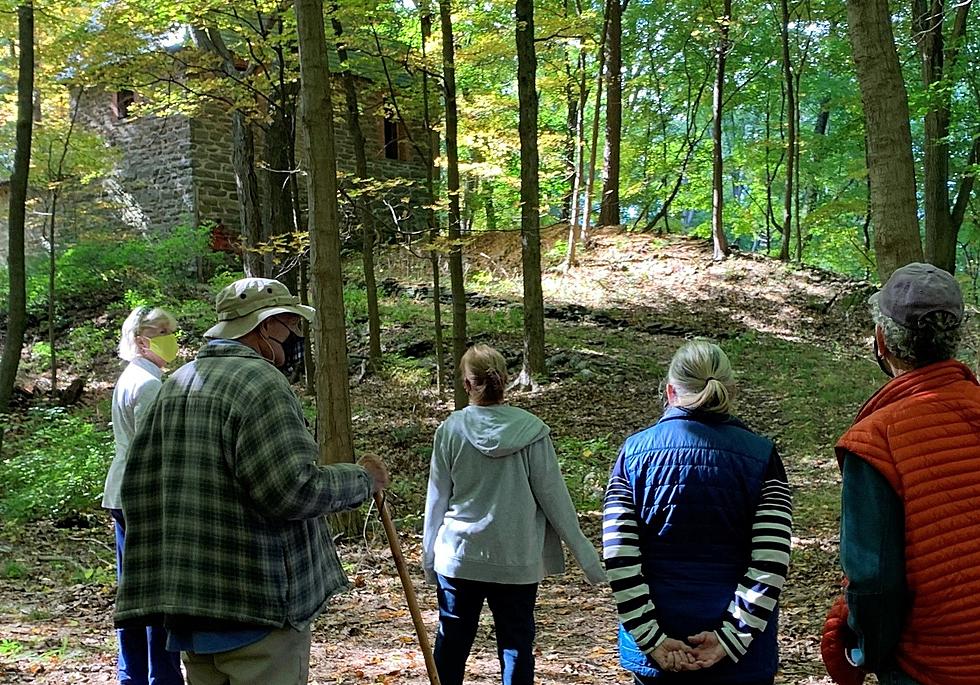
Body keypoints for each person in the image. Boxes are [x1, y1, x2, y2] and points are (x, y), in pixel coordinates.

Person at [114, 278, 389, 685]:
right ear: (264, 328)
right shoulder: (260, 384)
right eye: (290, 326)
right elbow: (294, 490)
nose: (296, 337)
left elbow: (140, 488)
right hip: (257, 608)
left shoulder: (177, 383)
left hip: (193, 608)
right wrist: (363, 480)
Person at [822, 262, 980, 685]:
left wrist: (865, 652)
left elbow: (874, 581)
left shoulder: (875, 440)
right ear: (956, 339)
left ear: (881, 342)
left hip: (931, 667)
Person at [603, 340, 792, 684]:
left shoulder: (632, 454)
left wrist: (652, 640)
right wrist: (730, 637)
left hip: (657, 657)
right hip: (742, 658)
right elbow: (771, 561)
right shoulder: (762, 456)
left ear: (670, 391)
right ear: (731, 390)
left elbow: (619, 558)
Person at [422, 344, 605, 685]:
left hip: (460, 556)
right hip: (516, 559)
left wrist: (429, 555)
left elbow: (437, 499)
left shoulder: (451, 430)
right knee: (516, 644)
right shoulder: (531, 430)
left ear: (466, 384)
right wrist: (588, 558)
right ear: (505, 382)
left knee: (452, 645)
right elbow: (555, 499)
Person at [104, 305, 184, 685]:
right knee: (154, 593)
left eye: (172, 331)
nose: (172, 339)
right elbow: (158, 448)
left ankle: (133, 674)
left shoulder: (133, 377)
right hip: (143, 496)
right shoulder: (148, 384)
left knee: (133, 590)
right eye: (163, 332)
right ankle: (159, 677)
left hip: (124, 493)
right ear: (141, 340)